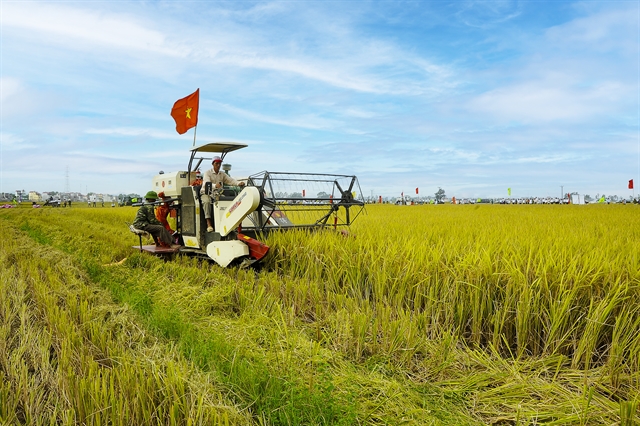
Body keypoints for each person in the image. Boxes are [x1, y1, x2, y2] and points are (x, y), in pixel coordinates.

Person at [200, 156, 245, 232]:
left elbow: (230, 180)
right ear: (213, 164)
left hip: (216, 194)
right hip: (206, 193)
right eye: (216, 163)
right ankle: (209, 224)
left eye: (219, 163)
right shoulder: (207, 173)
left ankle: (227, 223)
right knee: (206, 202)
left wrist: (238, 183)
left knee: (226, 201)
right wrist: (215, 185)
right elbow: (206, 183)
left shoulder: (222, 174)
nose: (218, 165)